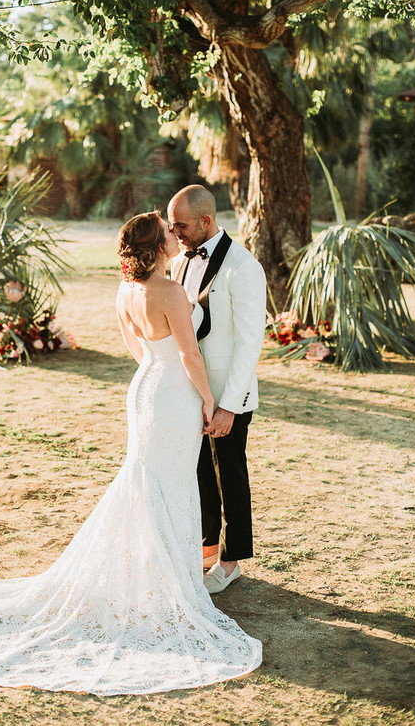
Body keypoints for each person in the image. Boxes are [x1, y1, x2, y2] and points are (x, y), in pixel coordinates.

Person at [0, 211, 262, 696]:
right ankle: (169, 583)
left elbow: (137, 348)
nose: (176, 234)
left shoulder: (126, 290)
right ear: (157, 246)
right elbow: (190, 355)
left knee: (145, 482)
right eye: (169, 231)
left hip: (144, 388)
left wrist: (159, 368)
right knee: (170, 485)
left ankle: (154, 572)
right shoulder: (168, 292)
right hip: (174, 395)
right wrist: (209, 400)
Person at [168, 186, 266, 595]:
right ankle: (207, 548)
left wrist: (228, 406)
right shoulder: (176, 264)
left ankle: (231, 560)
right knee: (198, 474)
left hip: (228, 394)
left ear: (206, 222)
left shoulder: (244, 268)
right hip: (189, 390)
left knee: (230, 476)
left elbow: (249, 343)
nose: (175, 234)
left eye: (181, 226)